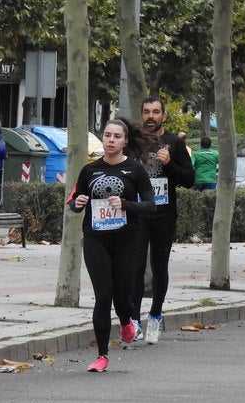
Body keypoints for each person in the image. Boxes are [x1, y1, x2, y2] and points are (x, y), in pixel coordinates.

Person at [67, 119, 156, 372]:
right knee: (103, 295)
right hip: (96, 238)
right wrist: (79, 203)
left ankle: (127, 320)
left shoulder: (135, 170)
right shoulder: (89, 170)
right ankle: (102, 355)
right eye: (107, 135)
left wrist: (126, 205)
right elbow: (73, 203)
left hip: (127, 241)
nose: (111, 140)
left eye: (117, 136)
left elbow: (151, 206)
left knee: (122, 298)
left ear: (125, 141)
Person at [130, 96, 196, 344]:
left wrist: (169, 166)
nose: (150, 116)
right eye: (146, 111)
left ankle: (155, 315)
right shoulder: (133, 142)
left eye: (156, 112)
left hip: (164, 215)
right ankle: (134, 320)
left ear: (164, 117)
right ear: (141, 115)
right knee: (135, 267)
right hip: (139, 214)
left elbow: (190, 179)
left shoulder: (174, 143)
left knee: (159, 267)